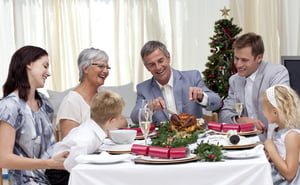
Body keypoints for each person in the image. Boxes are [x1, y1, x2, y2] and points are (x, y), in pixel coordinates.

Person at [0, 46, 69, 185]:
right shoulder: (10, 106)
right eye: (45, 66)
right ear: (29, 64)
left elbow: (49, 148)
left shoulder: (45, 103)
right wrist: (49, 164)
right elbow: (3, 158)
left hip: (55, 178)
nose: (48, 73)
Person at [130, 40, 222, 125]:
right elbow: (134, 118)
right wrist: (150, 108)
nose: (158, 67)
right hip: (163, 141)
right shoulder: (143, 88)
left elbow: (217, 103)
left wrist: (201, 97)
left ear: (168, 57)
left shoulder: (192, 77)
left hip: (196, 138)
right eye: (152, 64)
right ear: (147, 67)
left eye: (160, 61)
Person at [218, 32, 290, 141]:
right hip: (246, 143)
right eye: (236, 58)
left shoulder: (277, 73)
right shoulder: (235, 80)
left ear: (259, 58)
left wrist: (270, 146)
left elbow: (279, 113)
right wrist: (240, 120)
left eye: (244, 60)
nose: (238, 64)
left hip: (276, 144)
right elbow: (224, 114)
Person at [46, 90, 125, 184]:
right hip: (59, 173)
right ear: (112, 121)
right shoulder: (87, 137)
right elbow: (71, 163)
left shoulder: (93, 128)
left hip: (65, 169)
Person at [56, 47, 127, 139]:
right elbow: (70, 143)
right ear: (85, 68)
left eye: (107, 67)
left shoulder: (103, 95)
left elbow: (123, 122)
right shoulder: (71, 102)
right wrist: (107, 129)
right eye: (101, 66)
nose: (106, 71)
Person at [262, 85, 300, 184]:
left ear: (275, 112)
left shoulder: (292, 135)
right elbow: (279, 158)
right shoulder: (277, 130)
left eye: (264, 109)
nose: (263, 113)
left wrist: (272, 149)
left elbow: (290, 174)